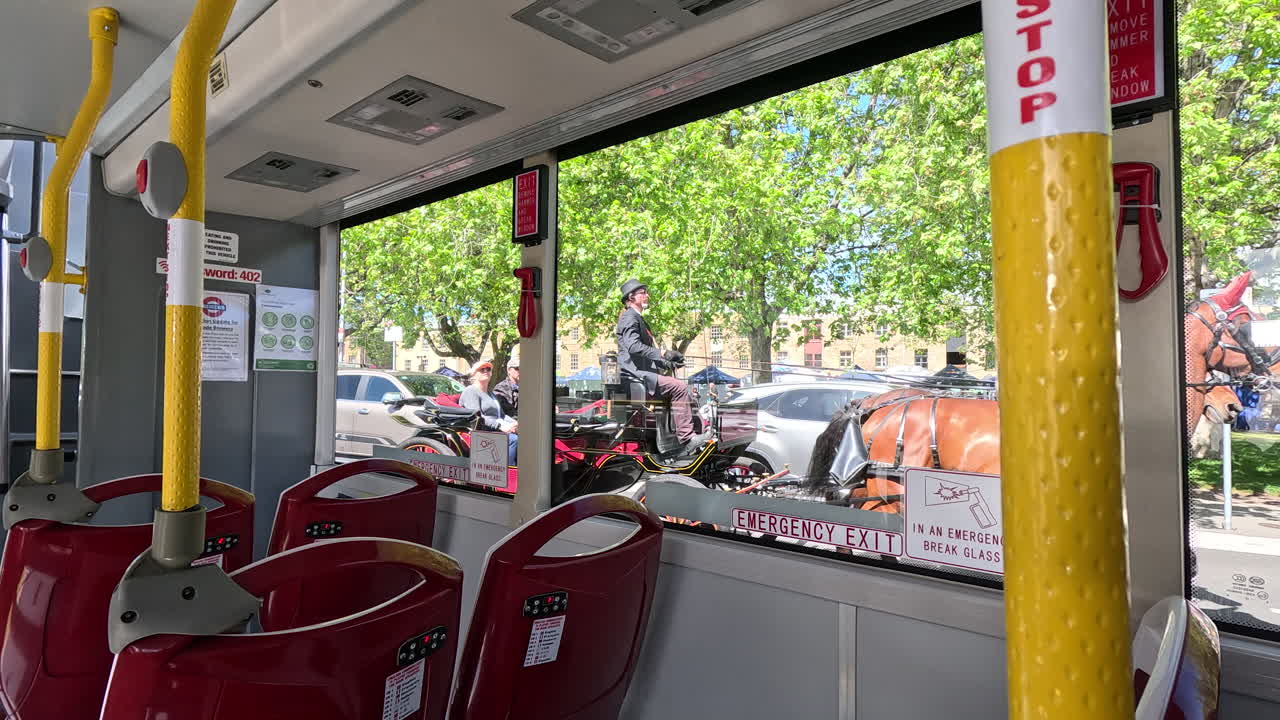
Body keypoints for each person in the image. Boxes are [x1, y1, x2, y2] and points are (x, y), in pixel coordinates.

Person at [615, 279, 710, 453]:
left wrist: (667, 362)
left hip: (642, 372)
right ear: (631, 297)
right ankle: (687, 438)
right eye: (643, 292)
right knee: (680, 388)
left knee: (686, 393)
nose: (647, 295)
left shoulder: (636, 318)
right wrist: (664, 353)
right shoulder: (630, 317)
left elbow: (645, 352)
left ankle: (689, 437)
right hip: (635, 375)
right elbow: (633, 346)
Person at [460, 359, 518, 465]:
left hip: (496, 429)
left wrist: (514, 423)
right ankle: (506, 473)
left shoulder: (490, 393)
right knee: (514, 440)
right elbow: (477, 417)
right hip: (481, 431)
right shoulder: (471, 391)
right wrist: (501, 426)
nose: (486, 371)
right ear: (474, 374)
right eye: (482, 369)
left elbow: (502, 415)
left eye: (488, 369)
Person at [493, 354, 519, 418]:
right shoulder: (501, 389)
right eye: (517, 368)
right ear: (509, 370)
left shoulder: (529, 387)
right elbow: (508, 414)